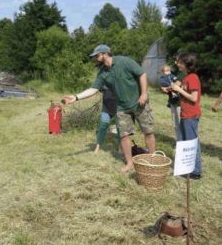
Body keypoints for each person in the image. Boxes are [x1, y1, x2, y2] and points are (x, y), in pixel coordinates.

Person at [62, 44, 156, 173]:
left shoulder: (124, 61)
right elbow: (93, 89)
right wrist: (76, 97)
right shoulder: (102, 72)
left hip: (139, 103)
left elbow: (142, 74)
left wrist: (144, 93)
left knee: (148, 131)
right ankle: (129, 163)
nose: (94, 58)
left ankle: (153, 159)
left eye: (96, 56)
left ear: (105, 54)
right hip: (122, 107)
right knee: (124, 135)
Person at [171, 53, 202, 179]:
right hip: (185, 114)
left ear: (187, 64)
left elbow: (194, 98)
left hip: (191, 115)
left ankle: (196, 171)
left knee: (192, 142)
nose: (178, 64)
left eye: (180, 62)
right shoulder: (186, 77)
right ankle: (186, 168)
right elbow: (186, 95)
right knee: (185, 142)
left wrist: (179, 90)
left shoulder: (192, 78)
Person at [160, 61, 184, 140]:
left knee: (180, 121)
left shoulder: (179, 73)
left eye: (178, 60)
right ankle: (178, 140)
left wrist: (166, 88)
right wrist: (163, 88)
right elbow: (162, 85)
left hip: (180, 101)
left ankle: (183, 140)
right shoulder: (163, 78)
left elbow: (176, 84)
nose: (176, 62)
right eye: (166, 71)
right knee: (175, 121)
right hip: (173, 100)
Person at [94, 86, 119, 153]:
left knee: (120, 127)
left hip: (119, 108)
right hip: (106, 108)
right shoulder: (105, 79)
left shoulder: (121, 78)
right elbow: (98, 88)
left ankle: (120, 147)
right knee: (103, 124)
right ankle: (97, 146)